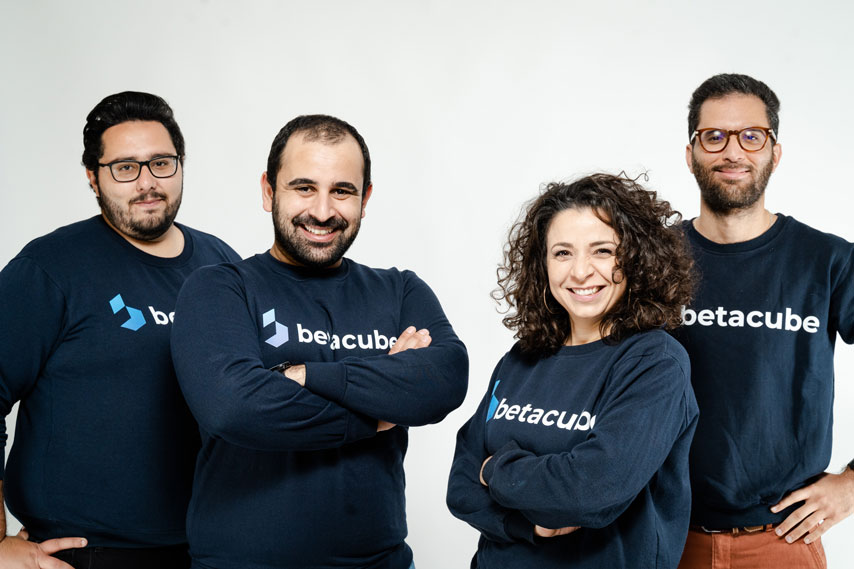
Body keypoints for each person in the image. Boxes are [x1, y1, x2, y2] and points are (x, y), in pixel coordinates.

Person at [170, 114, 468, 569]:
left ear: (365, 199)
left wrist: (301, 374)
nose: (324, 211)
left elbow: (445, 381)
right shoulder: (220, 288)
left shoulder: (400, 291)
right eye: (304, 188)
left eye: (342, 191)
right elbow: (233, 408)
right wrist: (380, 408)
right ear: (269, 191)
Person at [0, 92, 240, 569]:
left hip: (207, 547)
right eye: (125, 167)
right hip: (82, 554)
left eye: (161, 163)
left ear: (181, 165)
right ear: (94, 177)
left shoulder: (221, 266)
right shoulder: (50, 268)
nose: (147, 182)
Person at [447, 173, 699, 568]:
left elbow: (592, 490)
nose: (580, 272)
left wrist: (496, 468)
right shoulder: (522, 357)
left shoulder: (654, 362)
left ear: (636, 258)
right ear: (542, 264)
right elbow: (461, 485)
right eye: (563, 253)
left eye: (602, 251)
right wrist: (525, 525)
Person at [673, 73, 854, 569]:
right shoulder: (653, 260)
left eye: (751, 136)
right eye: (714, 136)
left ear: (775, 152)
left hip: (781, 540)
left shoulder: (828, 261)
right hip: (662, 535)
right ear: (690, 153)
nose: (733, 151)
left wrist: (853, 483)